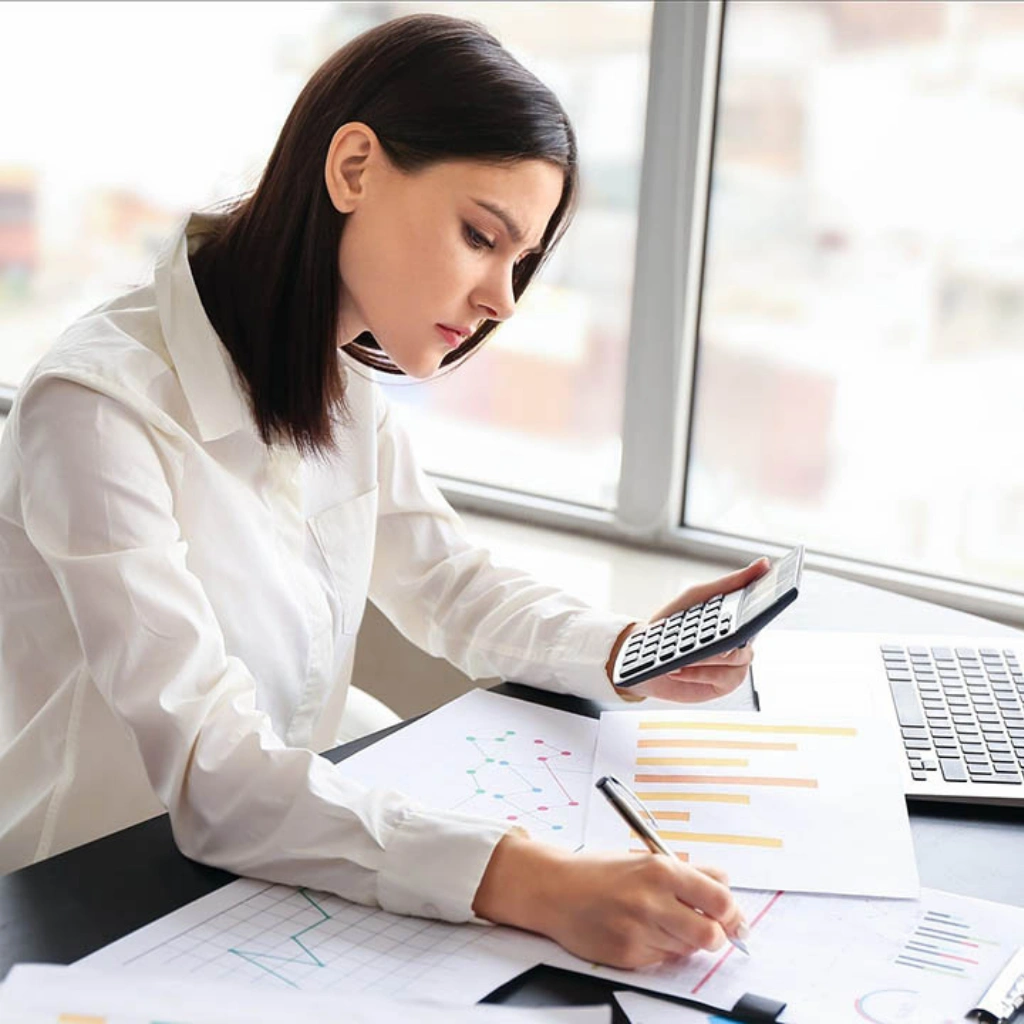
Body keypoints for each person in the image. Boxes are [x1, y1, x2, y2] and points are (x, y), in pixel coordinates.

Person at [0, 13, 766, 970]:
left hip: (277, 877)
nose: (504, 300)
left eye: (520, 262)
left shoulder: (339, 377)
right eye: (482, 236)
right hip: (95, 905)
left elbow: (449, 584)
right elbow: (212, 770)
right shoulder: (98, 407)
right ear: (354, 168)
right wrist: (533, 880)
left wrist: (627, 649)